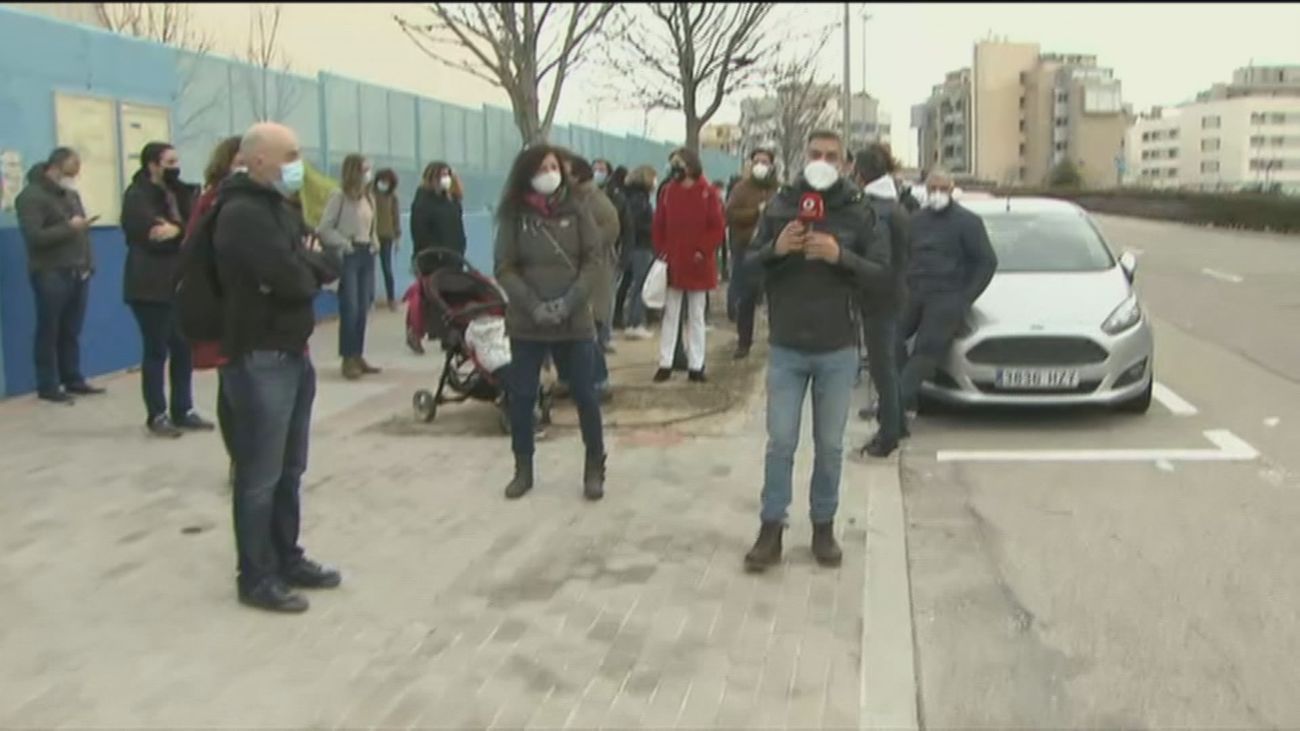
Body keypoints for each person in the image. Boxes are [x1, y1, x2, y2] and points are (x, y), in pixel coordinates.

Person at [742, 129, 889, 573]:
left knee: (829, 445)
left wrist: (840, 255)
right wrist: (776, 249)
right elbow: (745, 271)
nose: (822, 161)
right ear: (802, 158)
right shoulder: (782, 205)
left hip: (837, 348)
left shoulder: (859, 212)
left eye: (831, 155)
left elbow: (882, 274)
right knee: (781, 442)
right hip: (787, 346)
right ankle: (771, 530)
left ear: (845, 164)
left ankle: (823, 526)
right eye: (815, 154)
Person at [214, 121, 342, 614]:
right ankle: (256, 574)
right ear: (258, 159)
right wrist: (303, 265)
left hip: (293, 352)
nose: (297, 163)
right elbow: (293, 277)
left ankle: (287, 556)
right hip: (259, 356)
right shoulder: (242, 212)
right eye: (289, 154)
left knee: (290, 467)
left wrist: (305, 263)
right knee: (259, 474)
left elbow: (328, 261)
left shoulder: (279, 208)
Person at [494, 144, 607, 502]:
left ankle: (594, 466)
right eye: (542, 167)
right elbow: (505, 268)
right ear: (528, 173)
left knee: (586, 394)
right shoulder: (515, 215)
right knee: (523, 395)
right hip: (528, 323)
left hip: (573, 322)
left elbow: (593, 260)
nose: (549, 172)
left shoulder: (578, 210)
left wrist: (569, 302)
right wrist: (532, 305)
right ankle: (522, 468)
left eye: (554, 166)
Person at [121, 141, 211, 438]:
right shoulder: (137, 196)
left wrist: (179, 230)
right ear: (153, 165)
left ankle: (183, 409)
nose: (176, 166)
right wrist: (177, 231)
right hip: (149, 285)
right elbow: (151, 235)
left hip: (179, 283)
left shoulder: (182, 192)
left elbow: (195, 229)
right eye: (169, 161)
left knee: (183, 348)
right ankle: (156, 413)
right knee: (156, 349)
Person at [899, 169, 998, 417]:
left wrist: (965, 298)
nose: (937, 194)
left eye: (942, 189)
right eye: (933, 189)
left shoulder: (968, 222)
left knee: (927, 349)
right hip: (915, 291)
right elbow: (905, 256)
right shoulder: (916, 220)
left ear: (952, 190)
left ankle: (895, 405)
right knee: (890, 339)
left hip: (947, 296)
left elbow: (987, 262)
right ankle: (905, 398)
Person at [16, 147, 103, 404]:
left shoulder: (71, 195)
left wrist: (89, 264)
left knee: (71, 330)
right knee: (49, 329)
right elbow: (34, 237)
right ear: (56, 165)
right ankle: (48, 385)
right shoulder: (30, 196)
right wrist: (68, 227)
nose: (75, 174)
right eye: (72, 168)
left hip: (78, 270)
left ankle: (72, 378)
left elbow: (82, 233)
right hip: (50, 272)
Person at [186, 135, 244, 473]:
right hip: (227, 308)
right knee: (234, 385)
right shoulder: (212, 201)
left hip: (260, 314)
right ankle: (239, 458)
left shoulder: (274, 199)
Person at [851, 144, 913, 458]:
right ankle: (897, 422)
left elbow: (879, 259)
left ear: (860, 174)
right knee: (888, 364)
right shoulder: (895, 205)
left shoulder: (875, 209)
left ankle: (888, 434)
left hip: (879, 296)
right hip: (896, 293)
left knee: (882, 368)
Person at [652, 147, 725, 383]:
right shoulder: (667, 192)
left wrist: (702, 251)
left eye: (678, 163)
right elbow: (659, 225)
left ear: (690, 166)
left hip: (698, 263)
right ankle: (666, 362)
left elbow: (716, 227)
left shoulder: (708, 192)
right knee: (671, 313)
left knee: (696, 315)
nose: (674, 168)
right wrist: (663, 250)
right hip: (673, 262)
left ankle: (696, 364)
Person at [318, 153, 379, 380]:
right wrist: (345, 243)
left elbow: (371, 227)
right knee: (350, 308)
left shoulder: (368, 197)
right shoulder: (339, 196)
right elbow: (325, 228)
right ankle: (347, 358)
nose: (368, 173)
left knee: (363, 307)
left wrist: (375, 242)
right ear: (354, 170)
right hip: (350, 254)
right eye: (365, 169)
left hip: (367, 253)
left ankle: (358, 354)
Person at [567, 153, 619, 397]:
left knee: (590, 333)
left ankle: (599, 382)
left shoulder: (595, 201)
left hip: (593, 277)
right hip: (575, 275)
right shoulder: (574, 199)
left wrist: (580, 244)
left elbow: (610, 230)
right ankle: (570, 379)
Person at [726, 148, 780, 360]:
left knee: (774, 297)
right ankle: (743, 342)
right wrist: (756, 212)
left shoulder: (779, 189)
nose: (760, 165)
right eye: (757, 161)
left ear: (772, 165)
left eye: (765, 161)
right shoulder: (741, 189)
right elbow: (730, 214)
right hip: (746, 249)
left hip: (773, 250)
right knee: (746, 297)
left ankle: (777, 340)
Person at [617, 165, 658, 341]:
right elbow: (637, 224)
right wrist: (653, 228)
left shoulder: (631, 196)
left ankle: (629, 320)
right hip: (642, 246)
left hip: (636, 246)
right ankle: (636, 322)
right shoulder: (639, 199)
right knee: (641, 285)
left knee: (631, 284)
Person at [372, 168, 402, 310]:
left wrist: (397, 237)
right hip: (370, 236)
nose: (384, 183)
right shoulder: (370, 194)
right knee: (369, 269)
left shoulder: (392, 197)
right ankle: (369, 300)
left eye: (387, 181)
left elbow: (395, 217)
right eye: (382, 180)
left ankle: (391, 299)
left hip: (387, 236)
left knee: (387, 268)